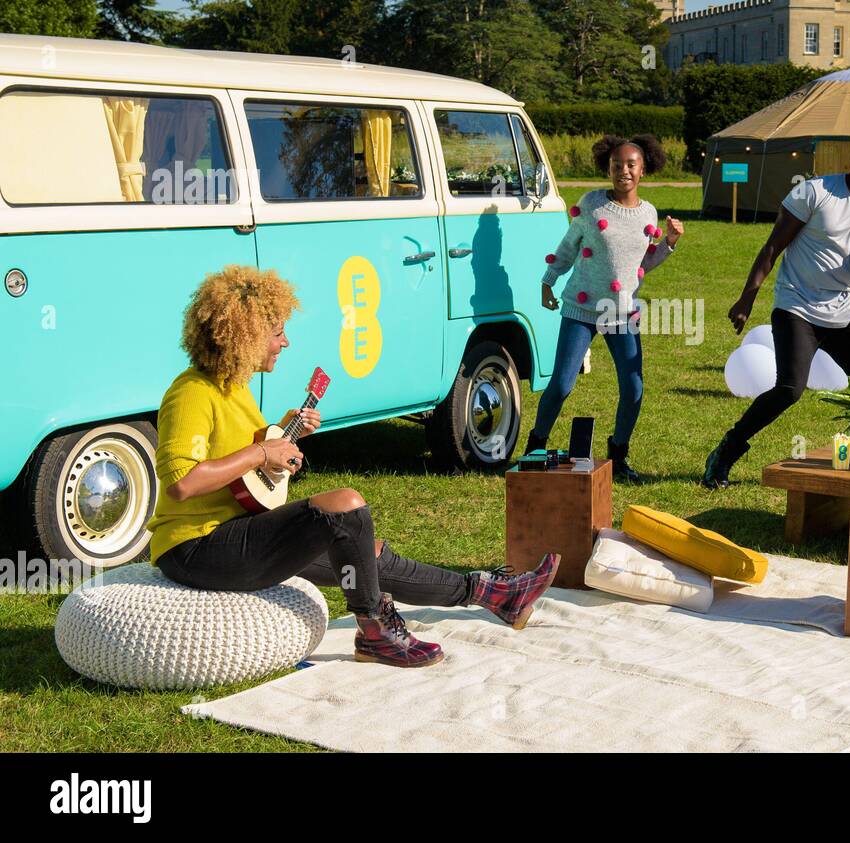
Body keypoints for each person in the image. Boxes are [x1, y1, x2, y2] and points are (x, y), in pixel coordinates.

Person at [148, 265, 560, 670]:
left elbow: (243, 471)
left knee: (367, 554)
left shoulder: (234, 388)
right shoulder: (192, 393)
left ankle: (494, 595)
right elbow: (182, 484)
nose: (285, 342)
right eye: (277, 333)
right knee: (346, 505)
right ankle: (375, 631)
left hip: (237, 531)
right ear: (245, 335)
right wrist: (262, 454)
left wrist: (282, 440)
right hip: (196, 547)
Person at [702, 132, 850, 488]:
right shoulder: (815, 192)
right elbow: (774, 246)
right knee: (789, 389)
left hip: (843, 308)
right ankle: (726, 450)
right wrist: (747, 297)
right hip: (796, 305)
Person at [526, 133, 684, 483]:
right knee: (562, 384)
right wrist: (548, 280)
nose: (623, 170)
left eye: (631, 165)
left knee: (634, 388)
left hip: (621, 313)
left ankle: (618, 455)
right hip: (580, 308)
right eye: (617, 164)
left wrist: (669, 243)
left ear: (644, 170)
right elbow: (568, 245)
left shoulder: (649, 213)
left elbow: (644, 263)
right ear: (607, 167)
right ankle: (535, 448)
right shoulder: (592, 203)